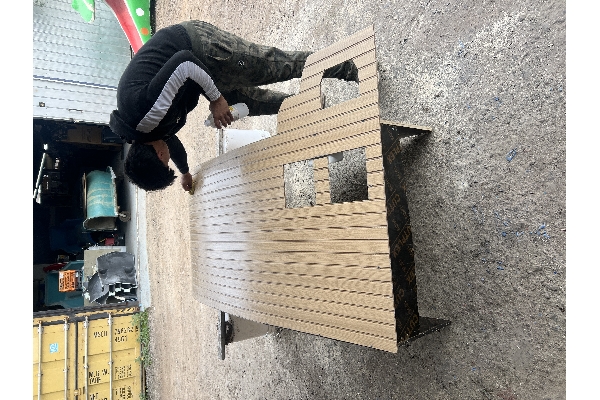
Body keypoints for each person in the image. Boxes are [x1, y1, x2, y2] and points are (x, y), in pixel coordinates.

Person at [109, 20, 359, 192]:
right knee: (251, 103)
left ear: (158, 155)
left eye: (166, 163)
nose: (168, 158)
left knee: (273, 67)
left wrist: (216, 99)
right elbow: (169, 142)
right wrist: (184, 172)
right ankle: (308, 103)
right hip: (196, 74)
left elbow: (184, 63)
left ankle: (347, 67)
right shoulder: (145, 134)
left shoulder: (144, 110)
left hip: (199, 48)